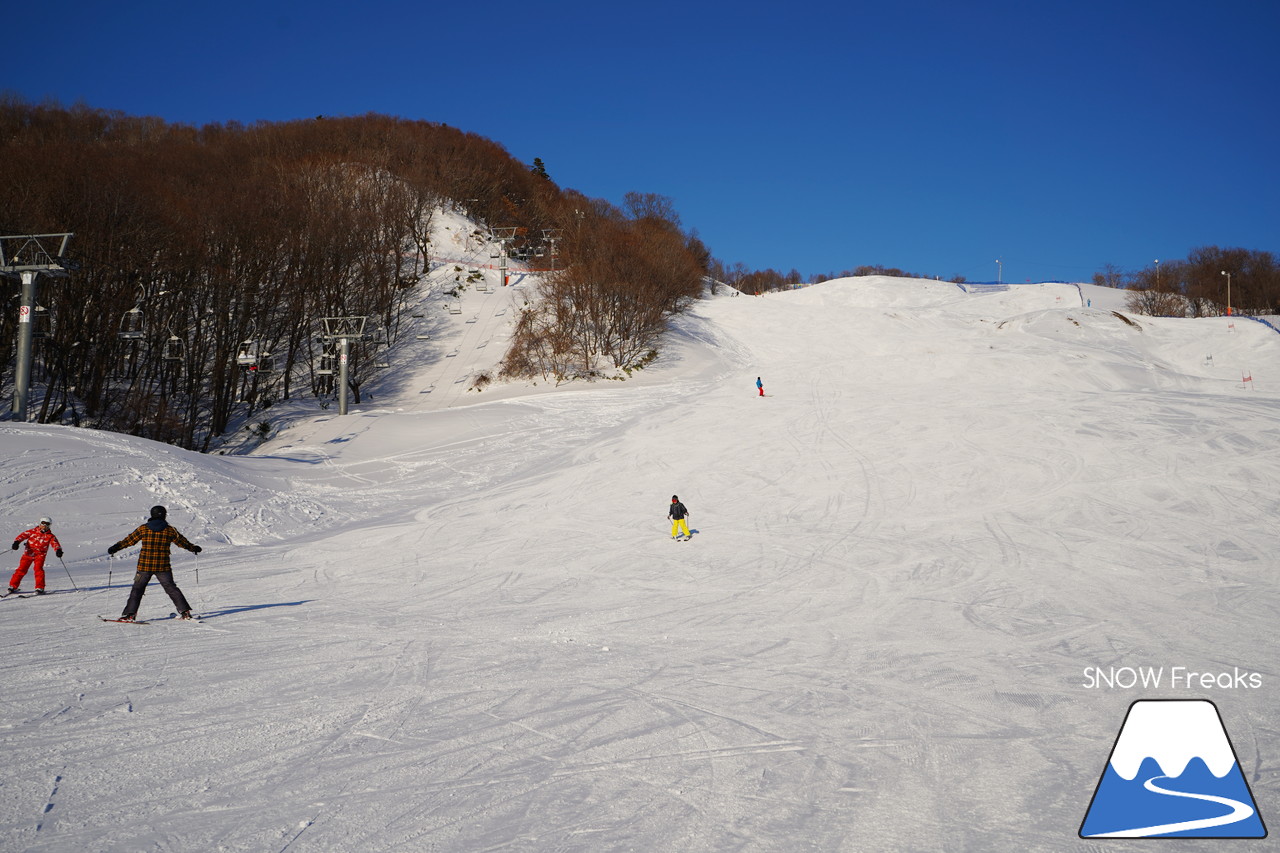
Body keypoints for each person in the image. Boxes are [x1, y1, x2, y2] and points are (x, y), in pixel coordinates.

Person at [107, 505, 202, 621]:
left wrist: (115, 548)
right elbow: (182, 542)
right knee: (171, 588)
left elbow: (129, 541)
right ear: (164, 515)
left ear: (152, 515)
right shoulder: (170, 530)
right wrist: (193, 548)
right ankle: (185, 612)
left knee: (137, 589)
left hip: (144, 566)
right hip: (163, 567)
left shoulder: (143, 528)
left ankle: (129, 614)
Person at [8, 516, 63, 595]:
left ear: (50, 525)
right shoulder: (33, 531)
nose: (44, 526)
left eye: (47, 524)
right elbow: (22, 535)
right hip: (28, 553)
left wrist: (58, 550)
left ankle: (39, 587)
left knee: (38, 570)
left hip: (40, 555)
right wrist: (16, 542)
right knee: (21, 569)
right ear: (40, 523)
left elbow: (55, 544)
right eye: (43, 523)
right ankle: (13, 586)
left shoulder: (50, 536)